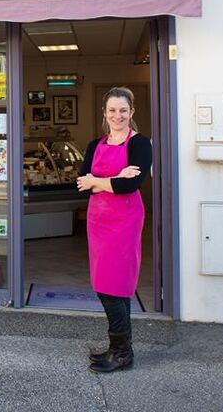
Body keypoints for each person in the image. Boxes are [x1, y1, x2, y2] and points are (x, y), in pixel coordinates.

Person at [76, 87, 152, 373]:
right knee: (103, 283)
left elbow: (130, 185)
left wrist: (99, 180)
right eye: (112, 110)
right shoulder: (95, 144)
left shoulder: (141, 144)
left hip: (125, 222)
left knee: (116, 284)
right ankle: (119, 348)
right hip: (98, 220)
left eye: (123, 110)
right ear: (105, 114)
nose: (117, 115)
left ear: (131, 112)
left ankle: (122, 352)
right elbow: (82, 183)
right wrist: (112, 178)